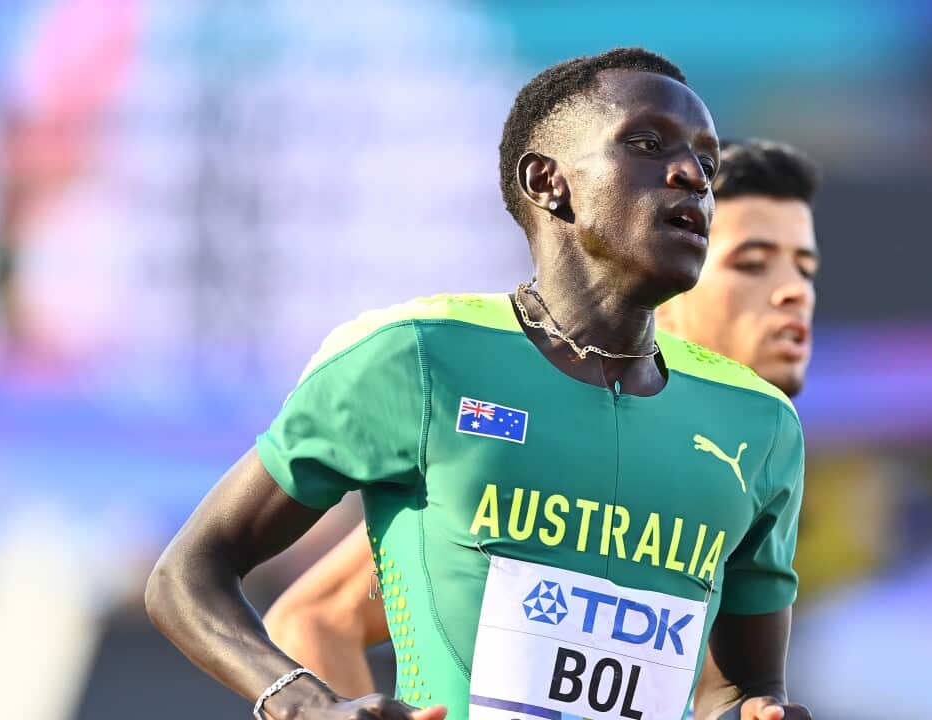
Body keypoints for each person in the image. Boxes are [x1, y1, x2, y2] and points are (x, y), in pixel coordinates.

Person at [146, 48, 811, 720]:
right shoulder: (417, 357)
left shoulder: (757, 423)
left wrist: (760, 709)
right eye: (647, 143)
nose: (692, 175)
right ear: (548, 181)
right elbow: (187, 577)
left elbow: (744, 688)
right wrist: (305, 706)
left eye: (707, 161)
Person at [264, 138, 822, 707]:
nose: (792, 291)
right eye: (750, 263)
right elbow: (314, 620)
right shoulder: (544, 450)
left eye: (806, 267)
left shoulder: (759, 453)